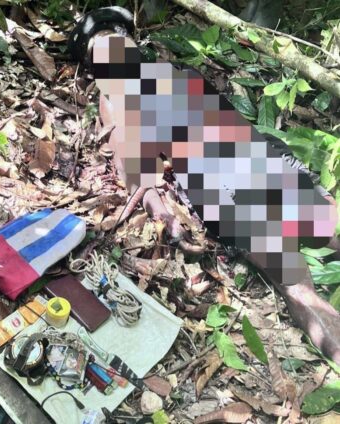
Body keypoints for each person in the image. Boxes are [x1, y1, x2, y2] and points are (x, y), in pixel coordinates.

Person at [68, 6, 340, 364]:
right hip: (216, 184)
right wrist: (164, 217)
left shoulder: (172, 72)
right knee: (294, 278)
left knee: (327, 225)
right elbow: (136, 172)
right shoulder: (114, 100)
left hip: (257, 155)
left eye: (116, 44)